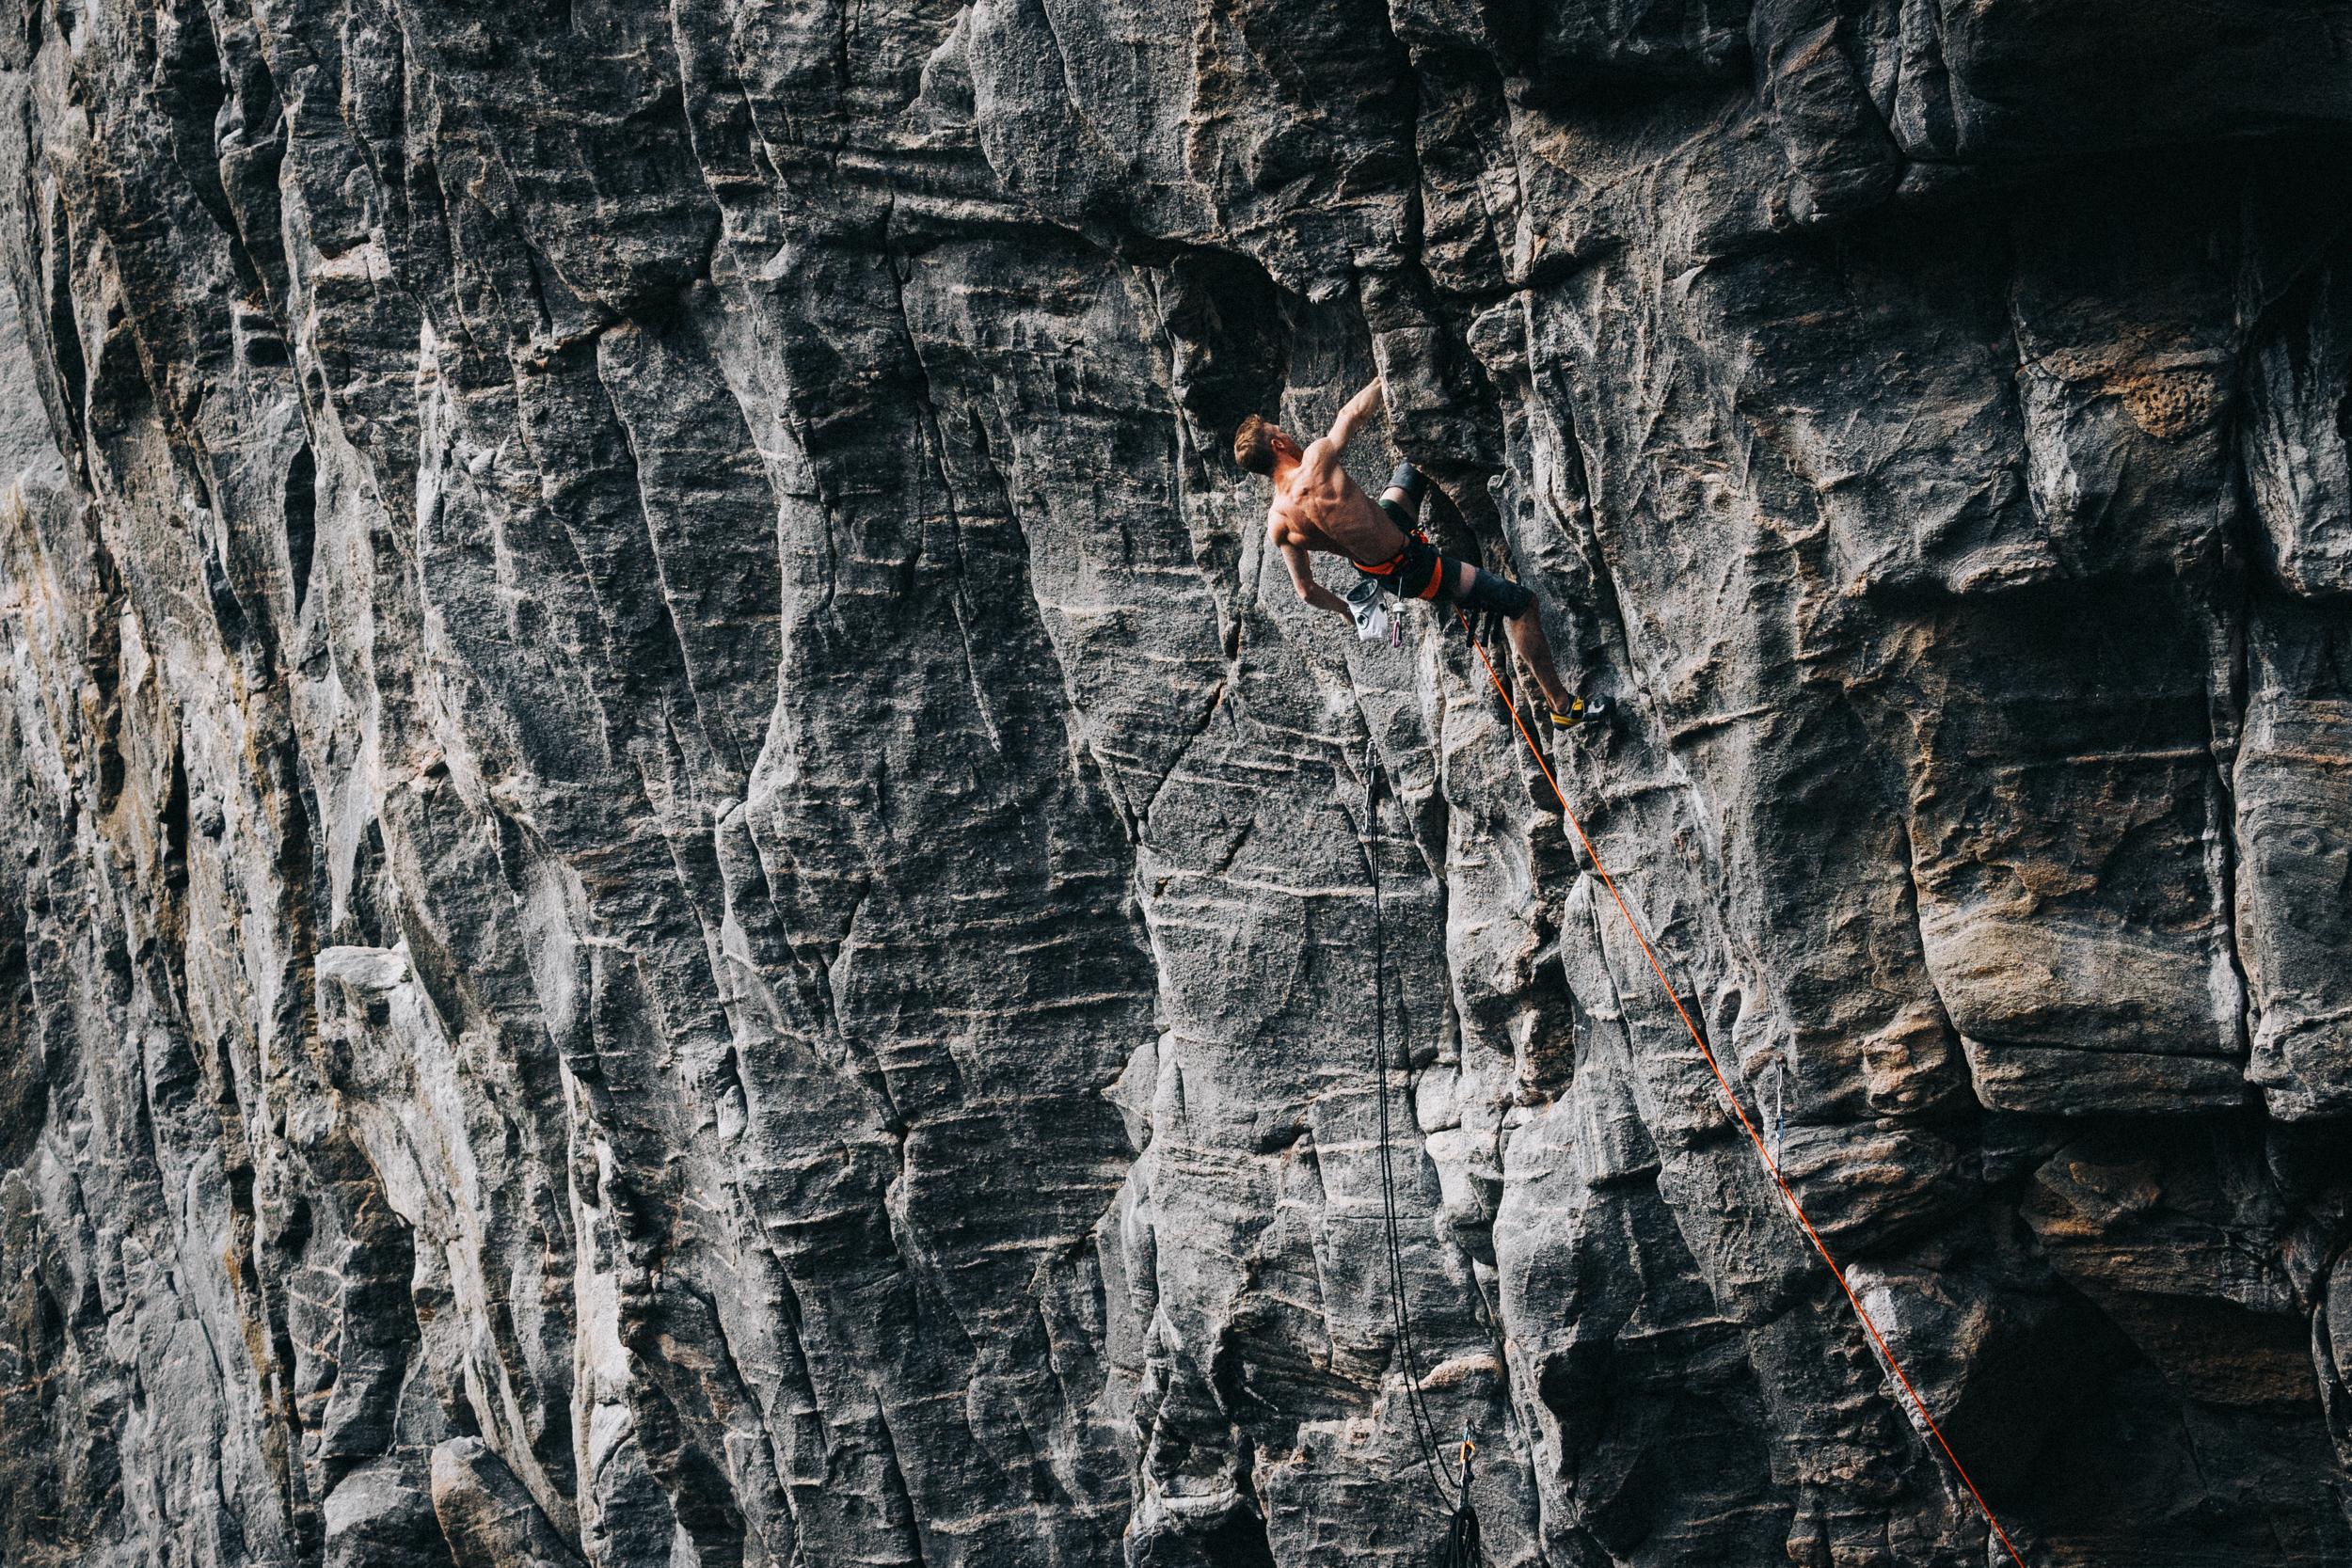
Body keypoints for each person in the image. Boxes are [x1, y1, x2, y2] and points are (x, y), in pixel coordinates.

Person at [1232, 380, 1602, 728]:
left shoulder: (1279, 523)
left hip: (1384, 555)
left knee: (1416, 457)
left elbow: (1306, 591)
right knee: (1519, 603)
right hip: (1419, 568)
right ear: (1277, 444)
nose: (1286, 433)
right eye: (1279, 431)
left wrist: (1347, 611)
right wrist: (1383, 379)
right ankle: (1561, 707)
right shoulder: (1316, 461)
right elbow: (1350, 415)